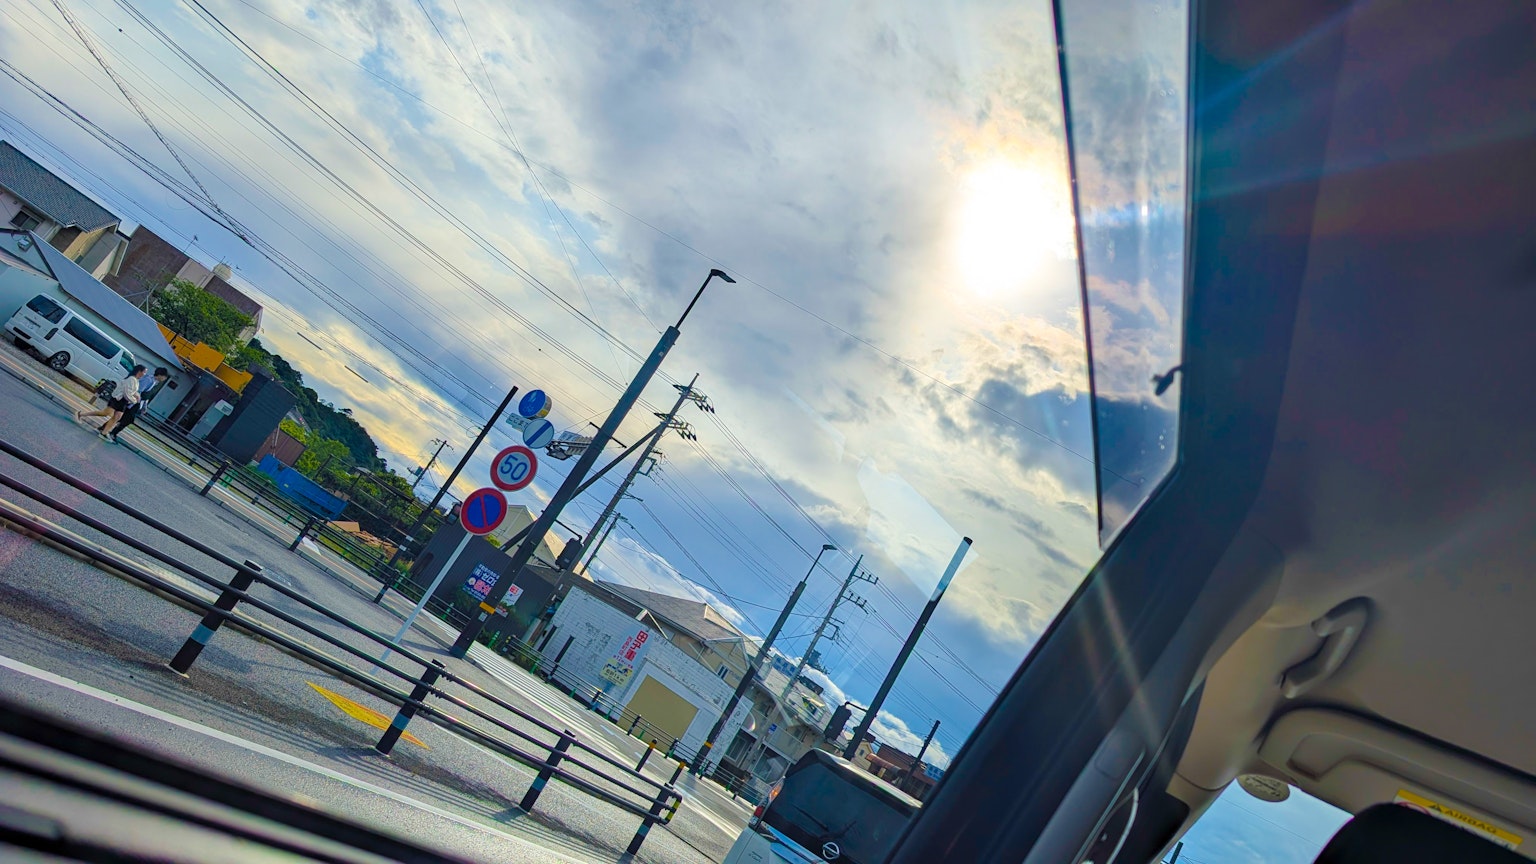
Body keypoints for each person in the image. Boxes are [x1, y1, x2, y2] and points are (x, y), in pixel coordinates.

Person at [77, 365, 145, 440]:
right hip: (118, 399)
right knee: (105, 413)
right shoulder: (131, 379)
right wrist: (134, 400)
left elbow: (133, 391)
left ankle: (104, 432)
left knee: (116, 418)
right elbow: (127, 393)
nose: (144, 374)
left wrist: (137, 395)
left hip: (123, 401)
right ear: (139, 371)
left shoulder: (136, 380)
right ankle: (81, 414)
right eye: (144, 372)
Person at [107, 367, 169, 441]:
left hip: (136, 402)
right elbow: (139, 390)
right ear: (160, 375)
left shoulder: (154, 381)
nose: (164, 379)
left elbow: (146, 395)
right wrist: (136, 401)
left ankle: (108, 430)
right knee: (125, 418)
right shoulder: (149, 380)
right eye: (164, 377)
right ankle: (111, 432)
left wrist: (144, 405)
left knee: (122, 417)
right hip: (135, 402)